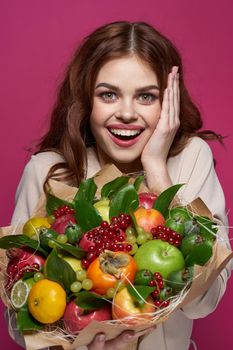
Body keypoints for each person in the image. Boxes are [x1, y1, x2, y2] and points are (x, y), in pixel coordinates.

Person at [9, 21, 232, 350]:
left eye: (146, 96)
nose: (126, 113)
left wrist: (157, 170)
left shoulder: (190, 158)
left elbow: (204, 302)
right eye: (108, 94)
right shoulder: (47, 172)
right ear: (87, 100)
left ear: (166, 104)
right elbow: (19, 318)